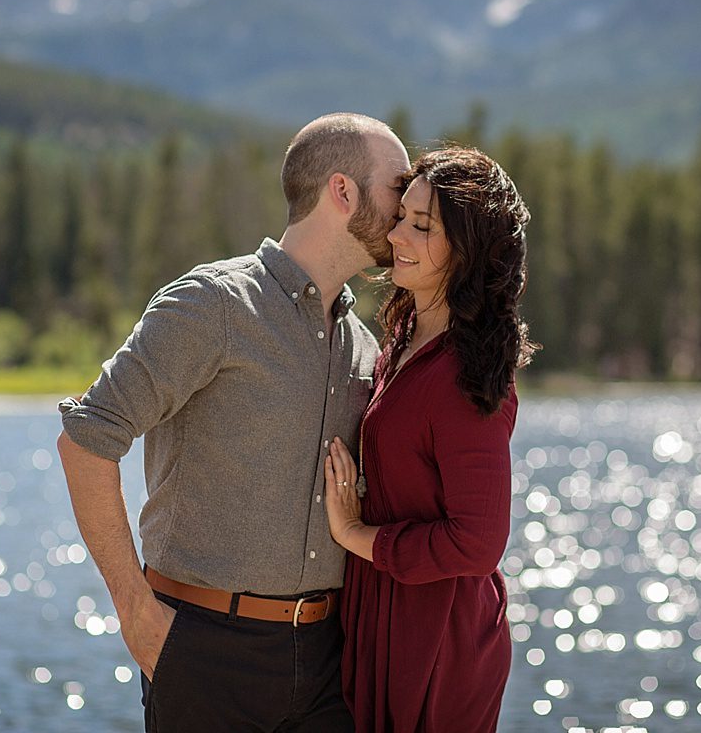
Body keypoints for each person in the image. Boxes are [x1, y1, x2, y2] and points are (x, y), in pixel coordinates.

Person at [56, 113, 410, 732]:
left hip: (330, 663)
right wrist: (136, 611)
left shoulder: (362, 343)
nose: (409, 208)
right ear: (343, 191)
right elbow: (85, 442)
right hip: (202, 655)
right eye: (398, 187)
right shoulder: (213, 305)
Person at [322, 147, 536, 733]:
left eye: (422, 226)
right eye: (401, 218)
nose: (397, 236)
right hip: (387, 618)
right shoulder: (404, 337)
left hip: (438, 642)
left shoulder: (465, 377)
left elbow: (479, 543)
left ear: (466, 253)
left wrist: (356, 535)